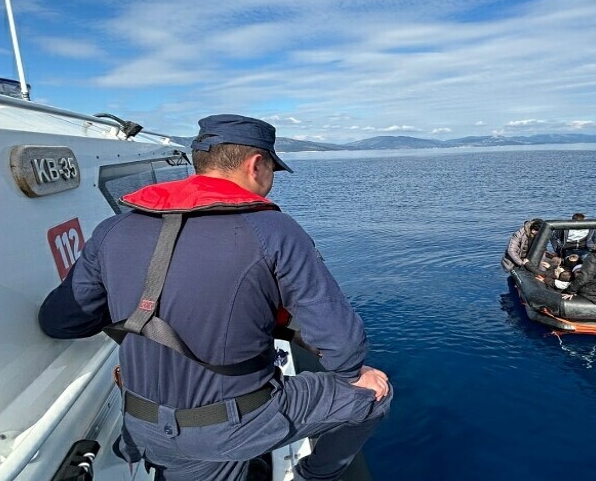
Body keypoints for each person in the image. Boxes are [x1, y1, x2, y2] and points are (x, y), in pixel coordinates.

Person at [38, 114, 392, 481]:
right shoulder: (275, 231)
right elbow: (344, 349)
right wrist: (352, 371)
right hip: (229, 430)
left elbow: (61, 322)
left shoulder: (113, 228)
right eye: (272, 169)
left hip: (141, 423)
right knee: (373, 395)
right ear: (257, 164)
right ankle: (311, 476)